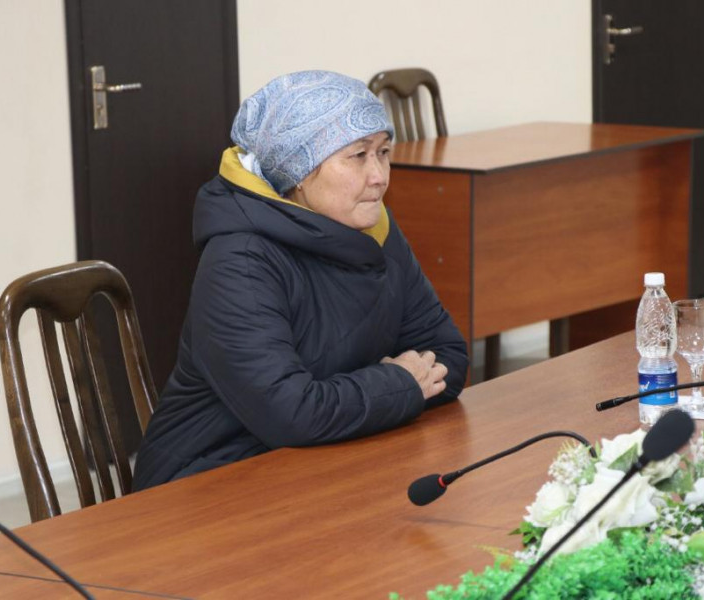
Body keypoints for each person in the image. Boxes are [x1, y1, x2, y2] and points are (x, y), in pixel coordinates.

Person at [132, 71, 468, 490]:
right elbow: (291, 414)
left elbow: (449, 355)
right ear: (298, 172)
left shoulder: (377, 230)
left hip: (328, 459)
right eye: (358, 156)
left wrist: (376, 394)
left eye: (383, 152)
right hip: (207, 481)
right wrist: (399, 383)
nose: (379, 175)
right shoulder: (241, 261)